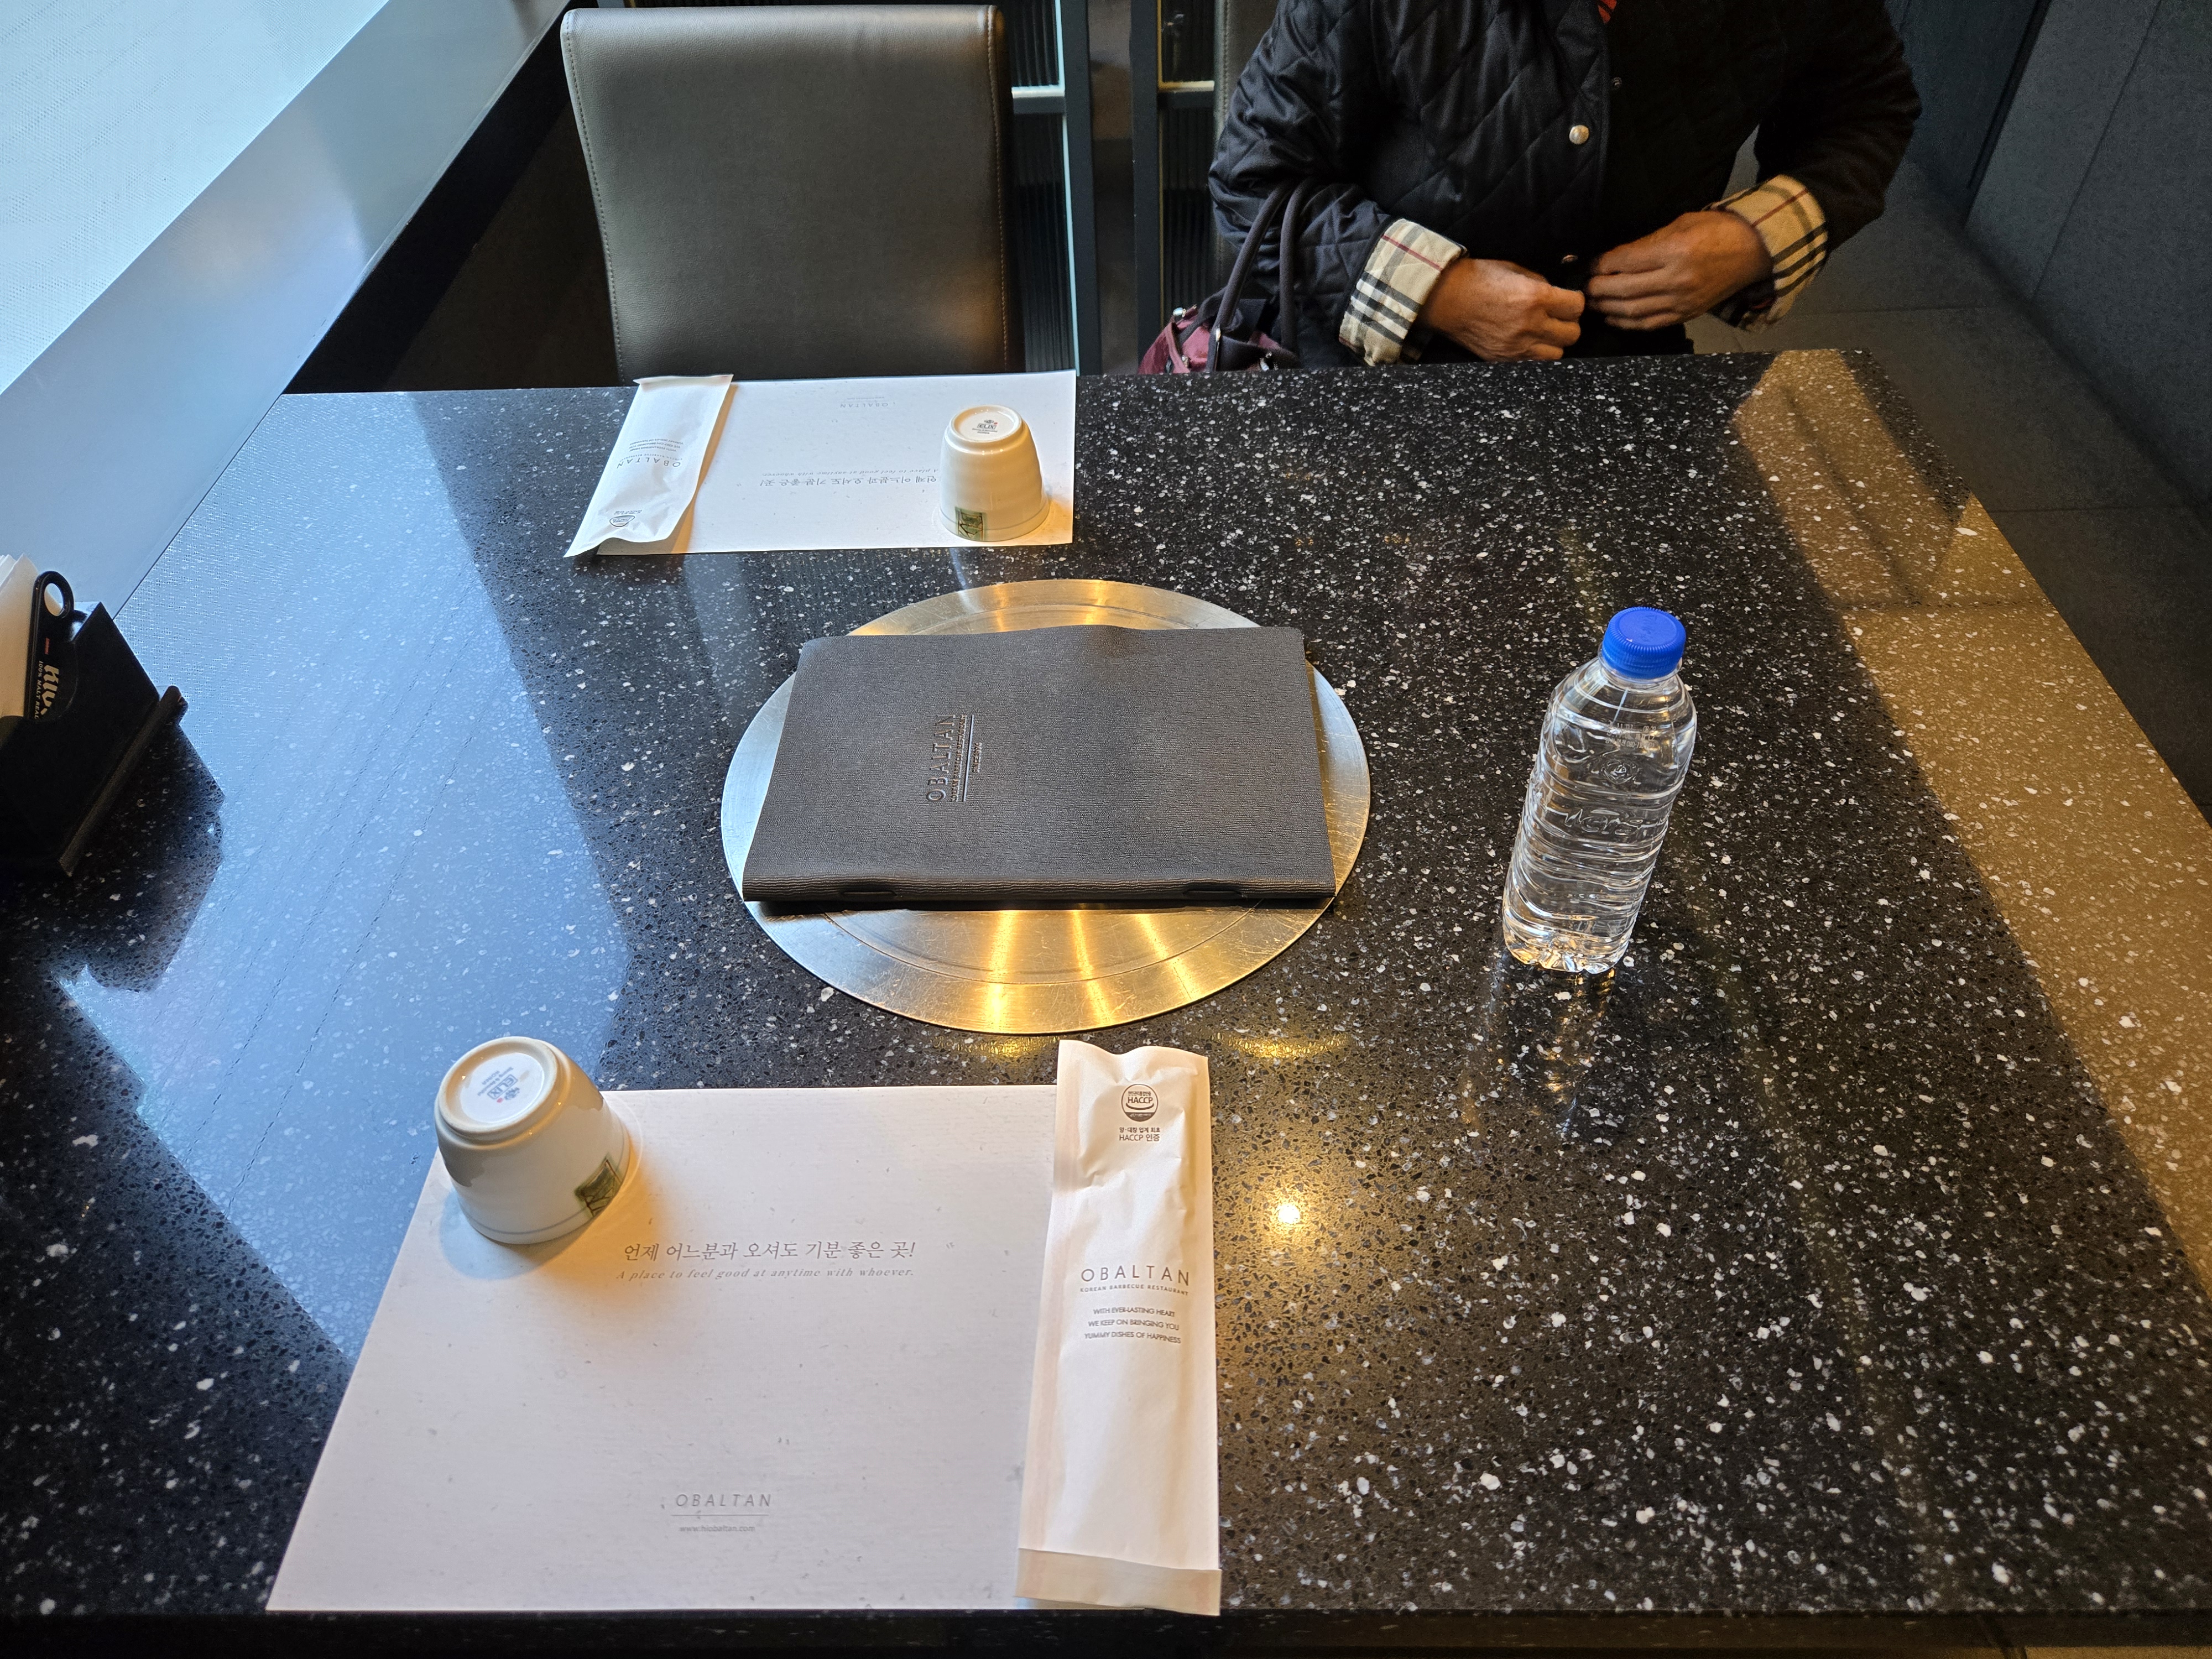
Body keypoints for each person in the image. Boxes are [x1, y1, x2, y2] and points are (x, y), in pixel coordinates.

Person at [1210, 0, 1919, 366]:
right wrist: (1439, 293)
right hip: (1379, 381)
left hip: (1623, 388)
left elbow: (1865, 110)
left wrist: (1753, 239)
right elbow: (1253, 177)